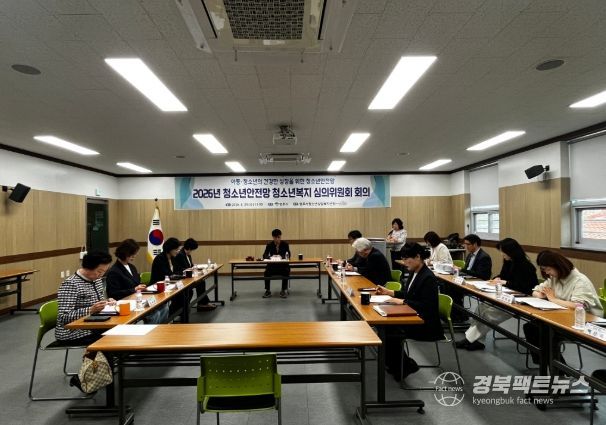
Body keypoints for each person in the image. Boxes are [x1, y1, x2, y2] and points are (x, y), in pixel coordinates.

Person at [376, 243, 444, 380]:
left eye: (406, 258)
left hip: (425, 323)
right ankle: (396, 364)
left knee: (391, 330)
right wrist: (390, 292)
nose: (404, 262)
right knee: (385, 326)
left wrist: (403, 302)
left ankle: (405, 366)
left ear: (418, 257)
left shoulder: (428, 277)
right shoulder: (415, 271)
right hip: (414, 315)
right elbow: (409, 294)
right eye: (403, 258)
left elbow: (426, 306)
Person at [456, 238, 537, 351]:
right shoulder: (509, 262)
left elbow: (525, 288)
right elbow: (503, 276)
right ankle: (476, 340)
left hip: (519, 301)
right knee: (480, 308)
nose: (502, 254)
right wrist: (497, 278)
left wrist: (506, 282)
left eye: (504, 252)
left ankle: (469, 339)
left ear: (511, 251)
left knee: (488, 315)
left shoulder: (526, 266)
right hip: (505, 296)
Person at [523, 250, 603, 364]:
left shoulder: (580, 280)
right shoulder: (555, 278)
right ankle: (545, 364)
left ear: (558, 266)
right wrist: (540, 294)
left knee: (546, 333)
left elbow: (577, 305)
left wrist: (553, 299)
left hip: (585, 323)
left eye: (548, 269)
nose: (547, 273)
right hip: (563, 317)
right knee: (530, 327)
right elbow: (535, 290)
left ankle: (556, 368)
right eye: (544, 270)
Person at [56, 251, 114, 345]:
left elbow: (98, 302)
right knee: (111, 337)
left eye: (104, 272)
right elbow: (64, 317)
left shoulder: (97, 280)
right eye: (99, 271)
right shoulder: (71, 284)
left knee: (118, 330)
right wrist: (90, 310)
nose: (101, 275)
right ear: (88, 267)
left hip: (94, 323)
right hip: (72, 332)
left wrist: (107, 302)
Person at [105, 239, 168, 324]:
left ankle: (161, 329)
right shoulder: (114, 271)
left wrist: (142, 287)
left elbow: (137, 283)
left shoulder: (132, 267)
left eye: (134, 254)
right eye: (132, 254)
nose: (134, 256)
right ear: (124, 253)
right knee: (155, 314)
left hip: (138, 300)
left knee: (164, 307)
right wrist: (134, 289)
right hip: (125, 305)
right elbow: (113, 293)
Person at [447, 234, 492, 323]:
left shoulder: (484, 257)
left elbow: (482, 275)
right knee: (447, 285)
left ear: (475, 244)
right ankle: (455, 314)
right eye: (465, 244)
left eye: (468, 244)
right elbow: (467, 271)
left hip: (477, 283)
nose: (465, 246)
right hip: (467, 280)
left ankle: (459, 316)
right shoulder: (470, 255)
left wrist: (462, 270)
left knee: (452, 290)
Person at [172, 238, 215, 311]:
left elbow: (190, 266)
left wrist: (194, 267)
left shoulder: (187, 254)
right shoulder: (180, 255)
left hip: (189, 276)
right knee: (200, 283)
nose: (192, 251)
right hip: (182, 278)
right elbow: (182, 269)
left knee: (201, 282)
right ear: (189, 248)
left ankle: (203, 303)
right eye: (192, 250)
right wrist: (192, 269)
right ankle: (202, 303)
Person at [151, 237, 182, 317]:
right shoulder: (160, 258)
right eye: (176, 249)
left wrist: (176, 275)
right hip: (158, 287)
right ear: (170, 249)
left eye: (178, 249)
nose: (178, 251)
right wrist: (175, 275)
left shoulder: (173, 258)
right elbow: (165, 275)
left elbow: (179, 270)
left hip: (169, 285)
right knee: (180, 296)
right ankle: (170, 316)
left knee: (184, 294)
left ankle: (173, 315)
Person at [262, 229, 291, 298]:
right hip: (272, 266)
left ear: (280, 236)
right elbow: (264, 255)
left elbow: (289, 255)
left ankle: (283, 290)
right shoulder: (269, 244)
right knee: (266, 272)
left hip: (282, 266)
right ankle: (268, 290)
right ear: (273, 237)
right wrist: (270, 257)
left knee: (286, 271)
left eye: (279, 237)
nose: (277, 239)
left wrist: (281, 256)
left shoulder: (285, 244)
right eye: (276, 237)